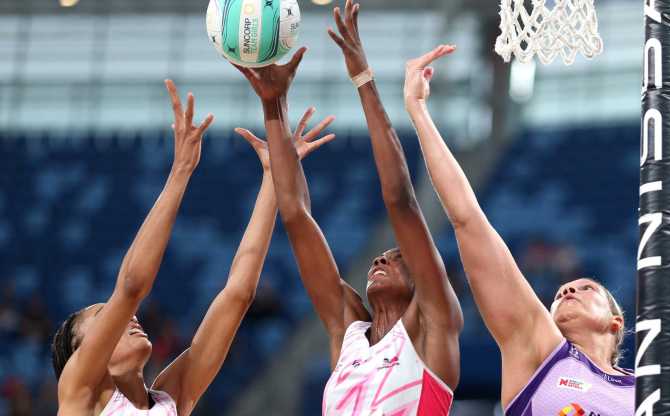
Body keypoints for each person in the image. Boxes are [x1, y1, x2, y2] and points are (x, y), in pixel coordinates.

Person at [50, 80, 335, 415]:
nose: (128, 317)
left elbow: (238, 294)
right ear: (79, 351)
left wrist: (273, 174)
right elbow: (131, 287)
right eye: (105, 316)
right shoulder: (79, 393)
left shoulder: (169, 398)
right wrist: (181, 170)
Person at [232, 2, 463, 413]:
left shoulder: (432, 323)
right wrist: (274, 107)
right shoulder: (348, 332)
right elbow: (295, 216)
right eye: (383, 255)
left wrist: (363, 78)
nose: (381, 258)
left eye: (397, 257)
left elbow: (400, 200)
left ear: (424, 279)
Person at [403, 45, 635, 416]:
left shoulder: (650, 390)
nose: (568, 289)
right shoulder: (539, 348)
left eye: (586, 288)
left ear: (615, 322)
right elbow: (468, 220)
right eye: (562, 291)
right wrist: (418, 110)